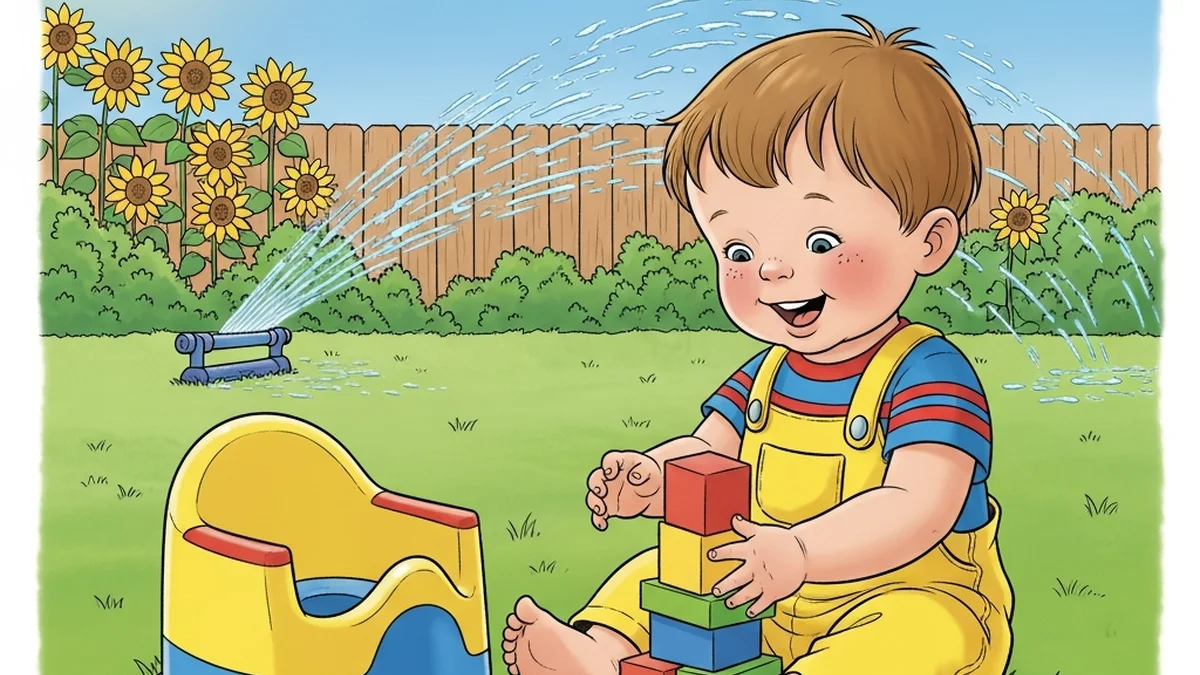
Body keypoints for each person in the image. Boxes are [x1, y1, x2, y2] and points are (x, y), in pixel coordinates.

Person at [501, 15, 1015, 675]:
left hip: (907, 592)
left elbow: (920, 506)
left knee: (914, 636)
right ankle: (603, 653)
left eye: (820, 241)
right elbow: (710, 450)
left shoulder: (927, 375)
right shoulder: (766, 376)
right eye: (740, 250)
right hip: (764, 588)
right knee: (656, 571)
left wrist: (800, 553)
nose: (772, 270)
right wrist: (656, 478)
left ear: (929, 241)